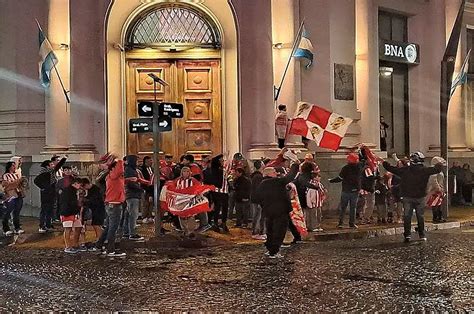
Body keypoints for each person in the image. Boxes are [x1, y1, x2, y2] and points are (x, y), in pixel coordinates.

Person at [382, 151, 443, 242]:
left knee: (407, 216)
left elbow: (392, 169)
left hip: (407, 196)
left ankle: (407, 235)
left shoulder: (406, 170)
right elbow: (437, 169)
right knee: (420, 216)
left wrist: (384, 162)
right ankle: (421, 235)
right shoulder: (424, 170)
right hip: (420, 197)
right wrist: (440, 162)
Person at [253, 162, 299, 258]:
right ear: (269, 174)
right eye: (274, 172)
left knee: (270, 230)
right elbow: (290, 177)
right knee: (279, 231)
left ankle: (270, 249)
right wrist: (295, 165)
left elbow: (257, 198)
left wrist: (265, 206)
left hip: (268, 211)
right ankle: (274, 251)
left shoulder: (262, 184)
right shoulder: (276, 182)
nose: (276, 173)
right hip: (280, 210)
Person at [95, 153, 127, 257]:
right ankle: (110, 249)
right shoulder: (113, 174)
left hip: (110, 203)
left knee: (109, 227)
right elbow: (120, 168)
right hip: (115, 203)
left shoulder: (109, 175)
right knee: (113, 228)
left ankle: (100, 245)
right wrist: (118, 160)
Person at [34, 156, 67, 233]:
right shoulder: (45, 172)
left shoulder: (51, 172)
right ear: (47, 166)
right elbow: (36, 181)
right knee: (45, 209)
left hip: (52, 192)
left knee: (50, 209)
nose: (53, 165)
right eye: (51, 164)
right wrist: (43, 187)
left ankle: (48, 225)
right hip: (46, 193)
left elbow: (57, 166)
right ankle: (42, 226)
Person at [329, 153, 362, 229]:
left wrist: (331, 181)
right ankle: (352, 223)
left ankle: (340, 223)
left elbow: (340, 178)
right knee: (353, 208)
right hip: (355, 190)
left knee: (343, 207)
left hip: (346, 190)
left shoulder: (345, 168)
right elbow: (363, 160)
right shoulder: (359, 167)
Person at [203, 154, 229, 232]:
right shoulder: (215, 170)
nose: (223, 162)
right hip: (217, 191)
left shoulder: (222, 170)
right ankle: (216, 223)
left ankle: (223, 222)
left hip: (225, 191)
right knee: (217, 207)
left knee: (225, 208)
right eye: (221, 161)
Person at [59, 177, 83, 254]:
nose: (80, 186)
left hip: (73, 212)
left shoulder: (72, 191)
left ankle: (75, 244)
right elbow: (70, 202)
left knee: (78, 227)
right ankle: (68, 246)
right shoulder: (69, 191)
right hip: (67, 212)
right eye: (79, 184)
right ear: (75, 183)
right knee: (68, 229)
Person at [124, 155, 145, 241]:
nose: (138, 163)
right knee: (133, 214)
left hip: (132, 194)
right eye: (136, 161)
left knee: (129, 214)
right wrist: (140, 189)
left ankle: (126, 232)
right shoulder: (130, 171)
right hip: (132, 194)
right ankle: (132, 233)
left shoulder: (131, 170)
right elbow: (131, 183)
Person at [2, 162, 24, 235]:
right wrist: (17, 181)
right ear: (9, 167)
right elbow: (7, 185)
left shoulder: (16, 175)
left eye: (15, 165)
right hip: (11, 195)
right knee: (8, 211)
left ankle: (17, 227)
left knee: (17, 212)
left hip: (18, 194)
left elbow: (19, 184)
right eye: (13, 166)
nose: (15, 167)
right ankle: (6, 228)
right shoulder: (5, 176)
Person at [426, 157, 446, 223]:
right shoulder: (434, 170)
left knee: (438, 204)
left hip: (439, 189)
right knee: (435, 204)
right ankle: (436, 217)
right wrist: (438, 188)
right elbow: (433, 180)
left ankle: (439, 216)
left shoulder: (438, 169)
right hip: (435, 190)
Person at [250, 160, 265, 240]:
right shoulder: (258, 177)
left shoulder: (256, 176)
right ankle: (256, 232)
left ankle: (260, 232)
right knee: (257, 216)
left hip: (256, 199)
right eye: (263, 163)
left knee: (258, 216)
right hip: (257, 200)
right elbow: (258, 189)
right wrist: (260, 200)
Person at [138, 156, 154, 224]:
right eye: (149, 161)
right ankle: (144, 217)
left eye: (151, 161)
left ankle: (150, 216)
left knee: (151, 203)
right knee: (145, 204)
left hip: (152, 188)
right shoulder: (142, 169)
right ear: (146, 162)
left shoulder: (152, 169)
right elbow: (142, 180)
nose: (151, 162)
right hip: (144, 188)